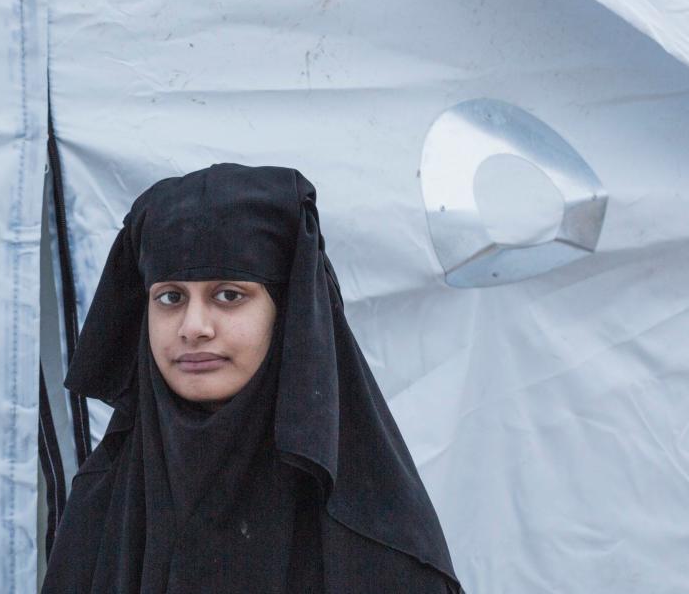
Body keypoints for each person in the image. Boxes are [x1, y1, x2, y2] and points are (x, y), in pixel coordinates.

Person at [41, 163, 462, 593]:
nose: (194, 326)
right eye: (170, 298)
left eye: (229, 295)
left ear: (287, 312)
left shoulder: (377, 540)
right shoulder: (101, 507)